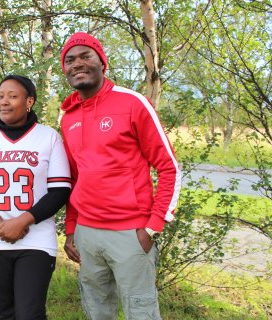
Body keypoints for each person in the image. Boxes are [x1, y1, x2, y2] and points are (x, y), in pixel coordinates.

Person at [59, 32, 182, 320]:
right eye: (69, 60)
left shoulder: (132, 103)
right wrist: (71, 230)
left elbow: (169, 168)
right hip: (87, 236)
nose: (77, 63)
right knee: (97, 310)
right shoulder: (69, 118)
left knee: (141, 312)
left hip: (131, 234)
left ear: (103, 63)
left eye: (85, 56)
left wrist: (152, 226)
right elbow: (75, 178)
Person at [0, 75, 71, 320]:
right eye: (0, 96)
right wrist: (1, 225)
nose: (4, 102)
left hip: (35, 239)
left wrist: (22, 222)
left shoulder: (48, 136)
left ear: (29, 101)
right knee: (4, 312)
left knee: (30, 313)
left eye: (13, 96)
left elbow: (60, 189)